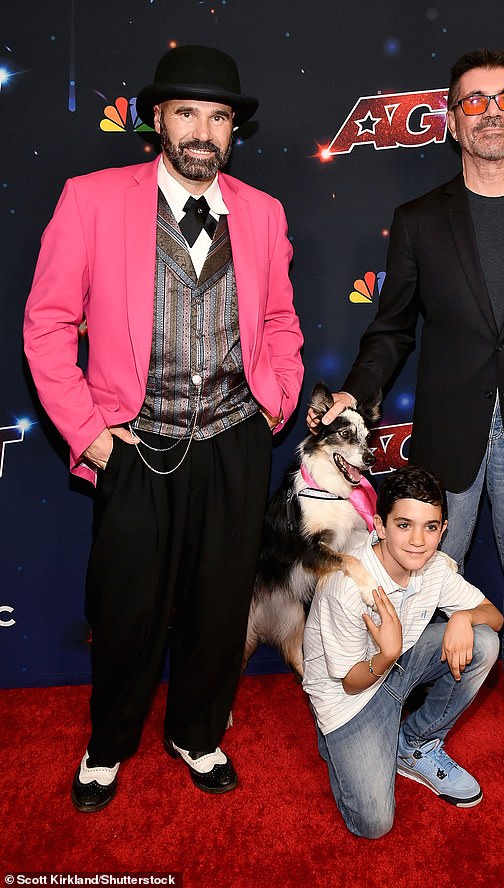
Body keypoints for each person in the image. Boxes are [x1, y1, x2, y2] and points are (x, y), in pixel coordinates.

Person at [24, 45, 304, 812]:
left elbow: (280, 320)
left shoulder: (264, 211)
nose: (203, 131)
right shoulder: (90, 199)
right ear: (157, 120)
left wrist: (277, 397)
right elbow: (48, 326)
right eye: (187, 113)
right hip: (135, 446)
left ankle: (196, 732)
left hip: (236, 440)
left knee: (219, 607)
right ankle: (109, 743)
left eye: (218, 116)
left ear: (233, 129)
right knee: (126, 609)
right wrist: (90, 434)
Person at [308, 48, 504, 752]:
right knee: (422, 573)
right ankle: (403, 686)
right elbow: (392, 326)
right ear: (451, 121)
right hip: (448, 426)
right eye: (475, 101)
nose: (491, 112)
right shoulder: (418, 218)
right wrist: (357, 387)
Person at [302, 467, 502, 838]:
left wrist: (462, 616)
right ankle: (336, 739)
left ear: (443, 531)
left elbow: (494, 617)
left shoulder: (434, 567)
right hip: (351, 694)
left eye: (430, 527)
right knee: (374, 825)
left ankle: (414, 743)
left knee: (484, 642)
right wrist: (386, 654)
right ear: (379, 526)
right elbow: (348, 683)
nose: (417, 541)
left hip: (398, 665)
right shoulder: (346, 586)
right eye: (404, 525)